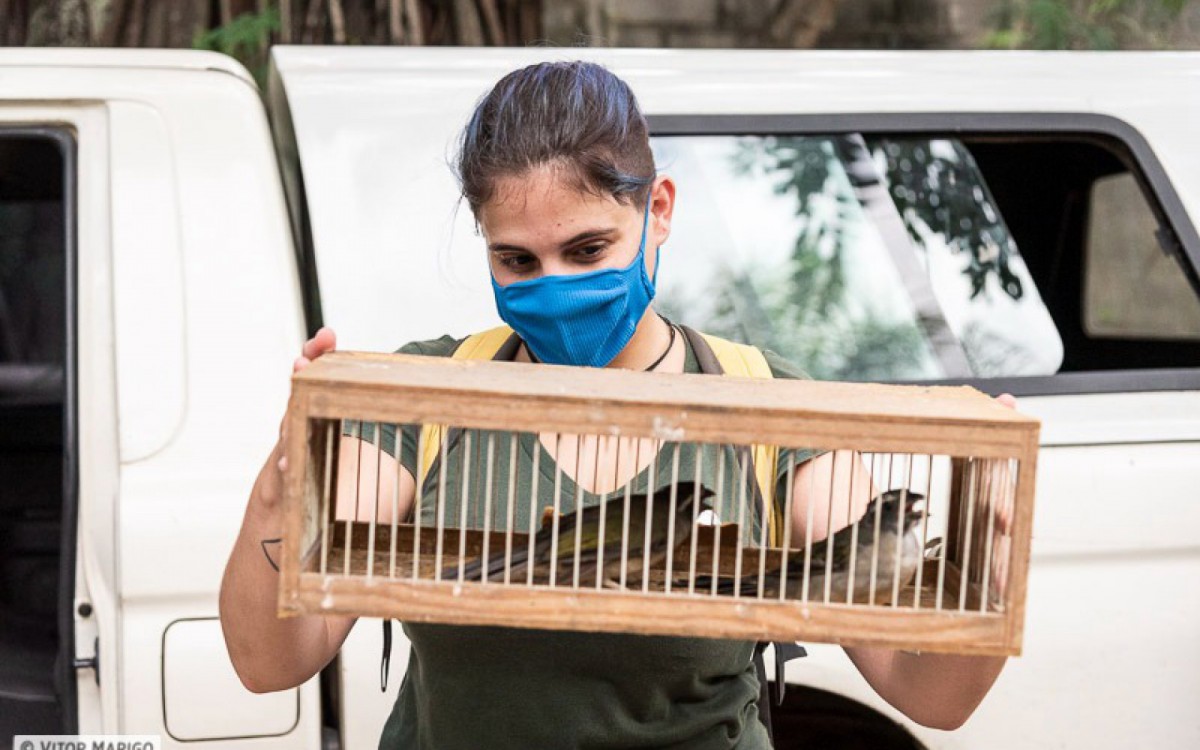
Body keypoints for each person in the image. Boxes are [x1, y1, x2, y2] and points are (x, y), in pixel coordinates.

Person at [219, 60, 1014, 748]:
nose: (556, 286)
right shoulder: (424, 396)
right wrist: (278, 492)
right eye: (517, 260)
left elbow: (928, 695)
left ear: (658, 209)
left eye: (588, 249)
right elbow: (271, 662)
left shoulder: (769, 409)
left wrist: (988, 549)